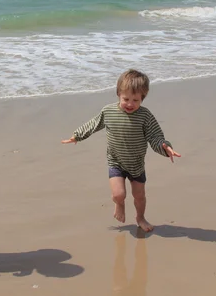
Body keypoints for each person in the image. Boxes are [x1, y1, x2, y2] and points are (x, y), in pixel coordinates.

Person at [61, 69, 181, 232]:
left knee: (139, 196)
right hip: (116, 161)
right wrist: (77, 135)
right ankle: (119, 205)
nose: (130, 104)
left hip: (136, 165)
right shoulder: (108, 111)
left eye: (135, 100)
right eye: (126, 99)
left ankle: (140, 217)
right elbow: (93, 124)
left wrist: (165, 147)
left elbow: (155, 136)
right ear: (118, 94)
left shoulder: (145, 116)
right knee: (118, 195)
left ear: (142, 98)